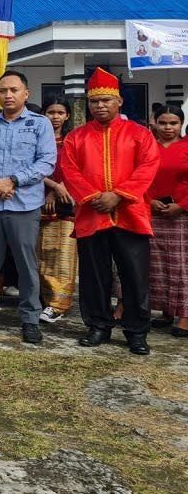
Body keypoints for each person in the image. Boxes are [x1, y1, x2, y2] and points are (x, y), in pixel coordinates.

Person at [60, 68, 160, 355]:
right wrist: (94, 197)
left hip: (131, 214)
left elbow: (148, 167)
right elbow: (70, 172)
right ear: (88, 104)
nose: (100, 106)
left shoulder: (139, 134)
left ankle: (136, 331)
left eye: (106, 100)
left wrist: (118, 195)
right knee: (93, 276)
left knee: (135, 276)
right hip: (92, 214)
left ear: (119, 102)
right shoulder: (75, 138)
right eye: (95, 101)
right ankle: (98, 326)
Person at [0, 70, 56, 343]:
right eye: (3, 90)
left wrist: (13, 181)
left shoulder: (40, 124)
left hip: (24, 205)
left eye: (14, 90)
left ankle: (29, 318)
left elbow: (46, 162)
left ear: (25, 94)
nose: (8, 95)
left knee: (26, 264)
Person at [145, 105, 188, 337]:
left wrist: (182, 206)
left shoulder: (187, 146)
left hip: (181, 216)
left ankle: (185, 316)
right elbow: (138, 177)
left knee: (181, 266)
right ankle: (166, 312)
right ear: (155, 123)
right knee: (158, 265)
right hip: (152, 213)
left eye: (173, 123)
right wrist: (149, 200)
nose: (168, 128)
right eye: (163, 123)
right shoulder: (147, 147)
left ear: (181, 124)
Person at [37, 98, 77, 323]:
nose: (55, 117)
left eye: (60, 112)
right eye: (50, 112)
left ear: (67, 116)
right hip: (35, 200)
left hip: (66, 202)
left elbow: (75, 169)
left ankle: (58, 304)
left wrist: (57, 190)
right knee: (39, 254)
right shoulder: (35, 138)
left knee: (62, 254)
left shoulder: (73, 140)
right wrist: (51, 187)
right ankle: (43, 300)